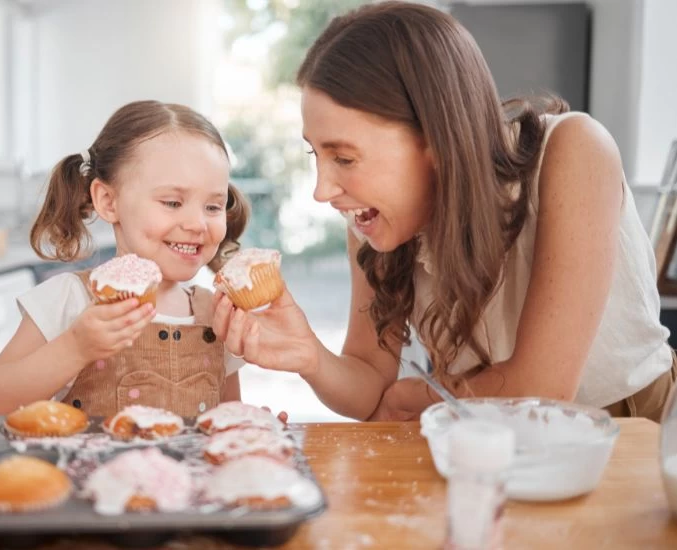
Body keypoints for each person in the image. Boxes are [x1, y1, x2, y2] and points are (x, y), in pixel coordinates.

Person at [212, 2, 676, 422]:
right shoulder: (375, 221)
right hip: (483, 432)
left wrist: (420, 397)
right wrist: (308, 354)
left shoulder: (573, 151)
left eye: (345, 158)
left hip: (629, 430)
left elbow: (543, 389)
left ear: (435, 138)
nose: (322, 190)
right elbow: (371, 386)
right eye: (317, 155)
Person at [0, 100, 250, 417]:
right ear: (108, 201)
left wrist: (253, 429)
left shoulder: (215, 314)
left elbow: (229, 418)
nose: (197, 224)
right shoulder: (71, 299)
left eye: (213, 207)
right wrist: (75, 348)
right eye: (173, 202)